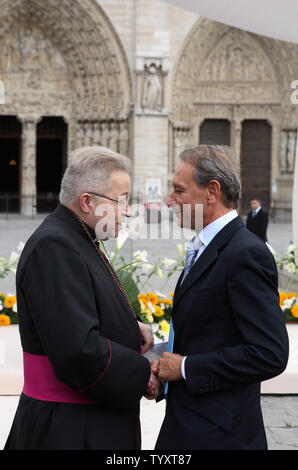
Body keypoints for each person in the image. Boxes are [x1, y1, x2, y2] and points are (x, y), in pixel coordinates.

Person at [4, 146, 159, 451]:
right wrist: (144, 374)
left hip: (84, 418)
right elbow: (79, 352)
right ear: (87, 202)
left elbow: (80, 312)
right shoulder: (55, 247)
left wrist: (131, 326)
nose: (128, 211)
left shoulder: (78, 236)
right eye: (122, 200)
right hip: (70, 428)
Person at [152, 144, 289, 450]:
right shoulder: (206, 246)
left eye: (178, 190)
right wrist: (160, 353)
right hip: (189, 422)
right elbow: (212, 332)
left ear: (211, 192)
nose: (170, 200)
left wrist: (186, 368)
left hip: (220, 435)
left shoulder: (245, 252)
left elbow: (270, 353)